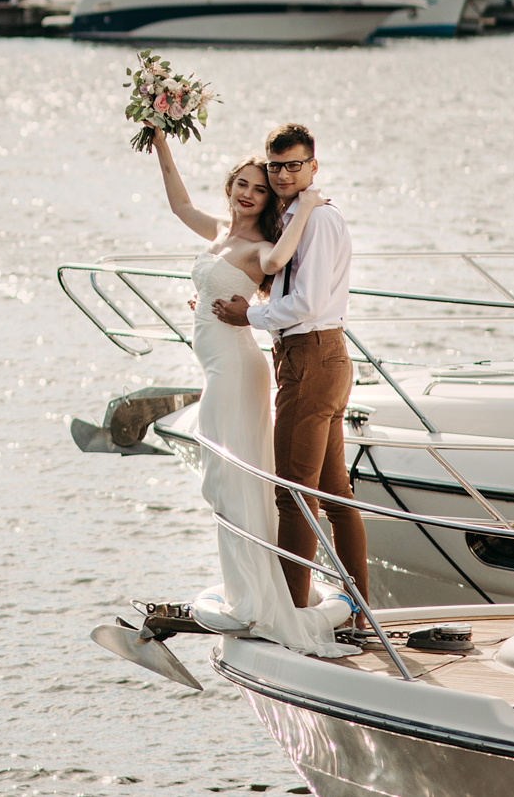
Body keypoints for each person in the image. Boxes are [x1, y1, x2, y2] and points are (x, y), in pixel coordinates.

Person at [147, 137, 348, 654]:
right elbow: (178, 204)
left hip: (237, 370)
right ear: (230, 187)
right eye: (242, 184)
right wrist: (162, 143)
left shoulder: (262, 245)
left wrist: (303, 207)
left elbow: (281, 258)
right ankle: (247, 591)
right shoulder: (217, 232)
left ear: (268, 201)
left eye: (260, 190)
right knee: (229, 482)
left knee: (230, 480)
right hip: (219, 368)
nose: (249, 194)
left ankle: (261, 601)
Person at [210, 123, 367, 608]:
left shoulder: (317, 220)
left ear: (312, 167)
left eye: (293, 165)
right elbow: (280, 281)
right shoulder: (295, 215)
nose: (281, 175)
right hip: (314, 356)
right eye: (275, 165)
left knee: (294, 493)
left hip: (312, 357)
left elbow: (306, 301)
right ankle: (360, 609)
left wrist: (248, 315)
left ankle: (291, 612)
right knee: (334, 492)